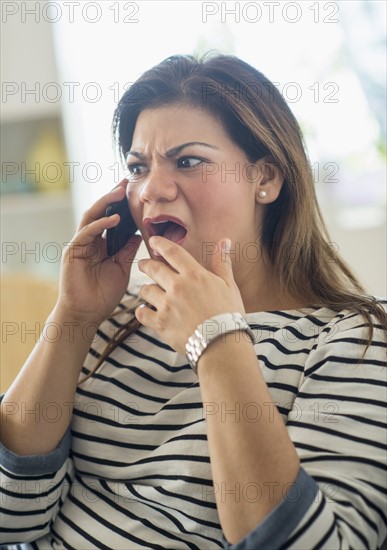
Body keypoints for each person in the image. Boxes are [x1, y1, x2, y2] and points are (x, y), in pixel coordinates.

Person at [1, 53, 386, 550]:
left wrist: (218, 340)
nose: (153, 190)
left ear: (264, 178)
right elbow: (10, 517)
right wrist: (73, 317)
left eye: (188, 161)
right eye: (138, 167)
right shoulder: (112, 320)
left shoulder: (356, 340)